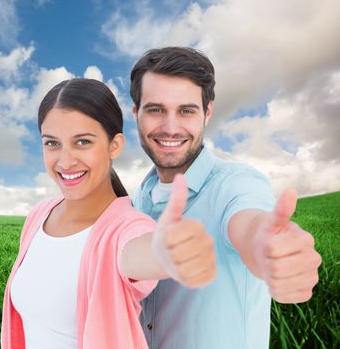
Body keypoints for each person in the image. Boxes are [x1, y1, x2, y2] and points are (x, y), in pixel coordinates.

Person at [1, 78, 217, 349]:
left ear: (114, 145)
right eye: (52, 144)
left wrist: (167, 252)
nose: (65, 160)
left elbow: (138, 253)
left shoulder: (125, 228)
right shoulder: (39, 215)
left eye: (82, 142)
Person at [130, 47, 322, 349]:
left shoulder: (236, 184)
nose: (169, 127)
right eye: (155, 109)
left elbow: (249, 224)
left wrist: (266, 249)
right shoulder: (136, 200)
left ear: (207, 112)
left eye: (186, 110)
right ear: (135, 113)